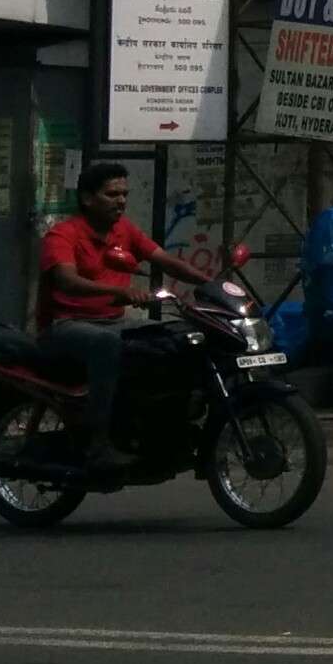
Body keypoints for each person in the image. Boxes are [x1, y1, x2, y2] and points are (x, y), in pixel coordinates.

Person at [37, 161, 208, 469]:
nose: (121, 201)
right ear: (87, 198)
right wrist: (120, 292)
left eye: (124, 194)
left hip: (114, 322)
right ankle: (96, 444)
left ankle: (164, 427)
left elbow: (164, 259)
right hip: (67, 325)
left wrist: (209, 283)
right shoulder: (62, 235)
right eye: (112, 194)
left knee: (183, 336)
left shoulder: (124, 230)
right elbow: (66, 280)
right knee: (106, 345)